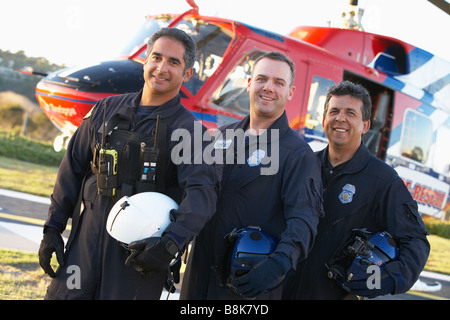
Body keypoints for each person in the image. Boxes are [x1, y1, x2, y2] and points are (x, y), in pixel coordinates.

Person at [38, 27, 219, 299]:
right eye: (156, 58)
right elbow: (72, 169)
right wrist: (53, 228)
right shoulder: (105, 110)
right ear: (145, 61)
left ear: (187, 74)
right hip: (84, 250)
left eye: (173, 62)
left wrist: (170, 244)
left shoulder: (190, 133)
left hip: (139, 261)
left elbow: (202, 195)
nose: (161, 67)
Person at [180, 52, 324, 300]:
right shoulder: (219, 138)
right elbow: (193, 197)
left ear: (290, 92)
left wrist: (278, 264)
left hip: (247, 286)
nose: (268, 87)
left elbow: (304, 222)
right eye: (261, 79)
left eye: (279, 82)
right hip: (198, 281)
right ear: (249, 84)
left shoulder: (298, 156)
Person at [282, 80, 430, 299]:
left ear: (365, 126)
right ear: (324, 120)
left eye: (350, 113)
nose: (340, 118)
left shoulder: (383, 180)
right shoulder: (303, 166)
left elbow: (416, 241)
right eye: (334, 111)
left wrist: (383, 279)